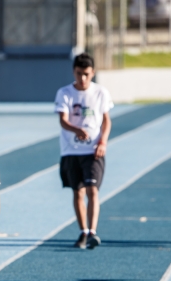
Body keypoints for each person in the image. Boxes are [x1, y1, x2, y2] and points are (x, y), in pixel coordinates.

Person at [54, 53, 113, 249]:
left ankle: (93, 232)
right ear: (74, 72)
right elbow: (63, 120)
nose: (83, 78)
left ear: (93, 73)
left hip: (93, 151)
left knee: (92, 190)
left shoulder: (101, 93)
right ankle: (83, 232)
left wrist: (103, 141)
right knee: (78, 192)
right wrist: (76, 129)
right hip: (71, 151)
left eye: (86, 74)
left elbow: (106, 120)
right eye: (79, 74)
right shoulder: (64, 93)